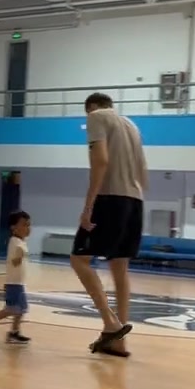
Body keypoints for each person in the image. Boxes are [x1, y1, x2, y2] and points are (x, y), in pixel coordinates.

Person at [71, 92, 147, 358]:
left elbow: (100, 160)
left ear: (91, 107)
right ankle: (119, 342)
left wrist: (89, 206)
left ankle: (111, 323)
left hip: (110, 198)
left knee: (79, 259)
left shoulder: (96, 117)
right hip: (135, 200)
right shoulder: (131, 125)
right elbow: (143, 170)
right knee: (119, 267)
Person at [0, 210, 31, 345]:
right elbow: (14, 262)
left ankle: (14, 332)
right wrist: (20, 256)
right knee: (12, 309)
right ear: (13, 227)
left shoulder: (21, 242)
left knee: (21, 309)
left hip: (19, 282)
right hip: (14, 283)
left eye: (28, 225)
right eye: (24, 225)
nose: (27, 228)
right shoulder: (15, 242)